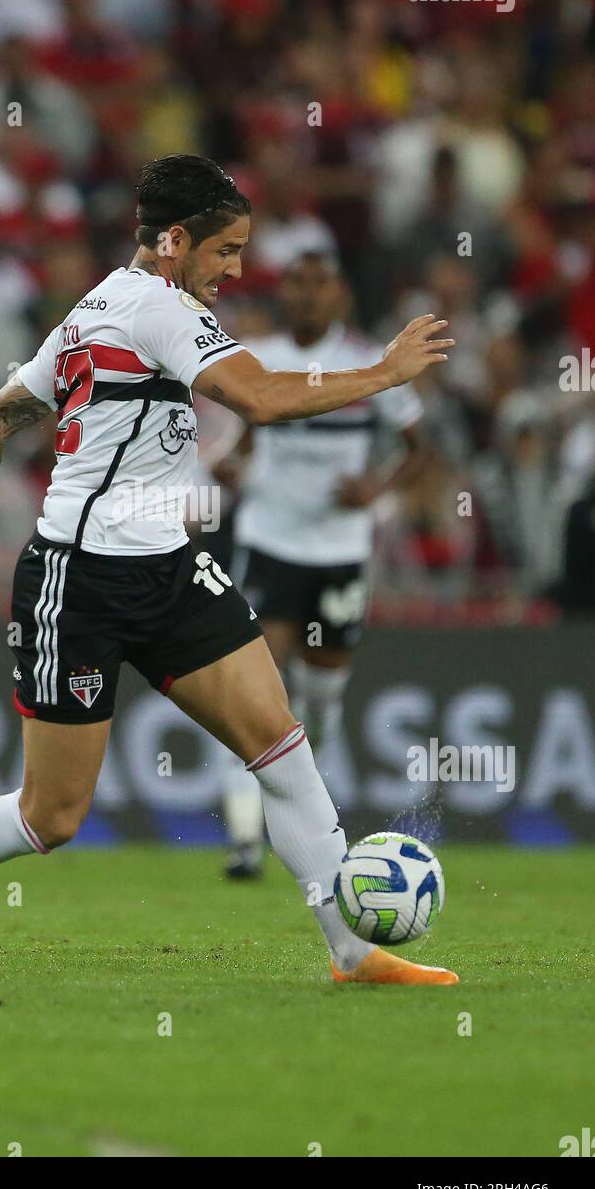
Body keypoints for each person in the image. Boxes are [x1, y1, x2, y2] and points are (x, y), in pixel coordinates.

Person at [0, 154, 457, 986]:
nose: (234, 271)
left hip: (170, 569)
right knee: (52, 816)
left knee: (282, 749)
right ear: (175, 242)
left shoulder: (97, 309)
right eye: (224, 252)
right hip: (79, 582)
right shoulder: (157, 308)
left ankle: (350, 951)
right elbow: (260, 398)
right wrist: (384, 372)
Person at [213, 251, 424, 878]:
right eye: (295, 283)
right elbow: (248, 436)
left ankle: (303, 807)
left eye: (319, 284)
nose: (306, 295)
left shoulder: (371, 362)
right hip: (270, 544)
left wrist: (377, 488)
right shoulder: (259, 355)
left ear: (340, 295)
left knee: (322, 698)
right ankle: (247, 840)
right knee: (256, 687)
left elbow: (419, 449)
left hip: (339, 550)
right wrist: (234, 462)